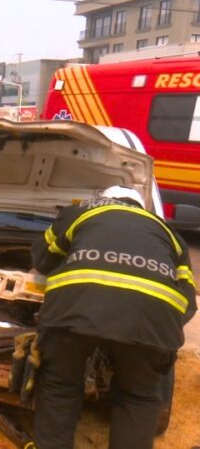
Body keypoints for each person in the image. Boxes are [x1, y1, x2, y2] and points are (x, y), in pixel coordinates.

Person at [30, 186, 196, 449]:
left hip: (76, 310)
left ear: (103, 199)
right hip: (153, 321)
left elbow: (42, 258)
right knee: (138, 398)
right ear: (142, 207)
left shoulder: (81, 211)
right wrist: (158, 330)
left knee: (60, 386)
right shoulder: (169, 232)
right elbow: (188, 295)